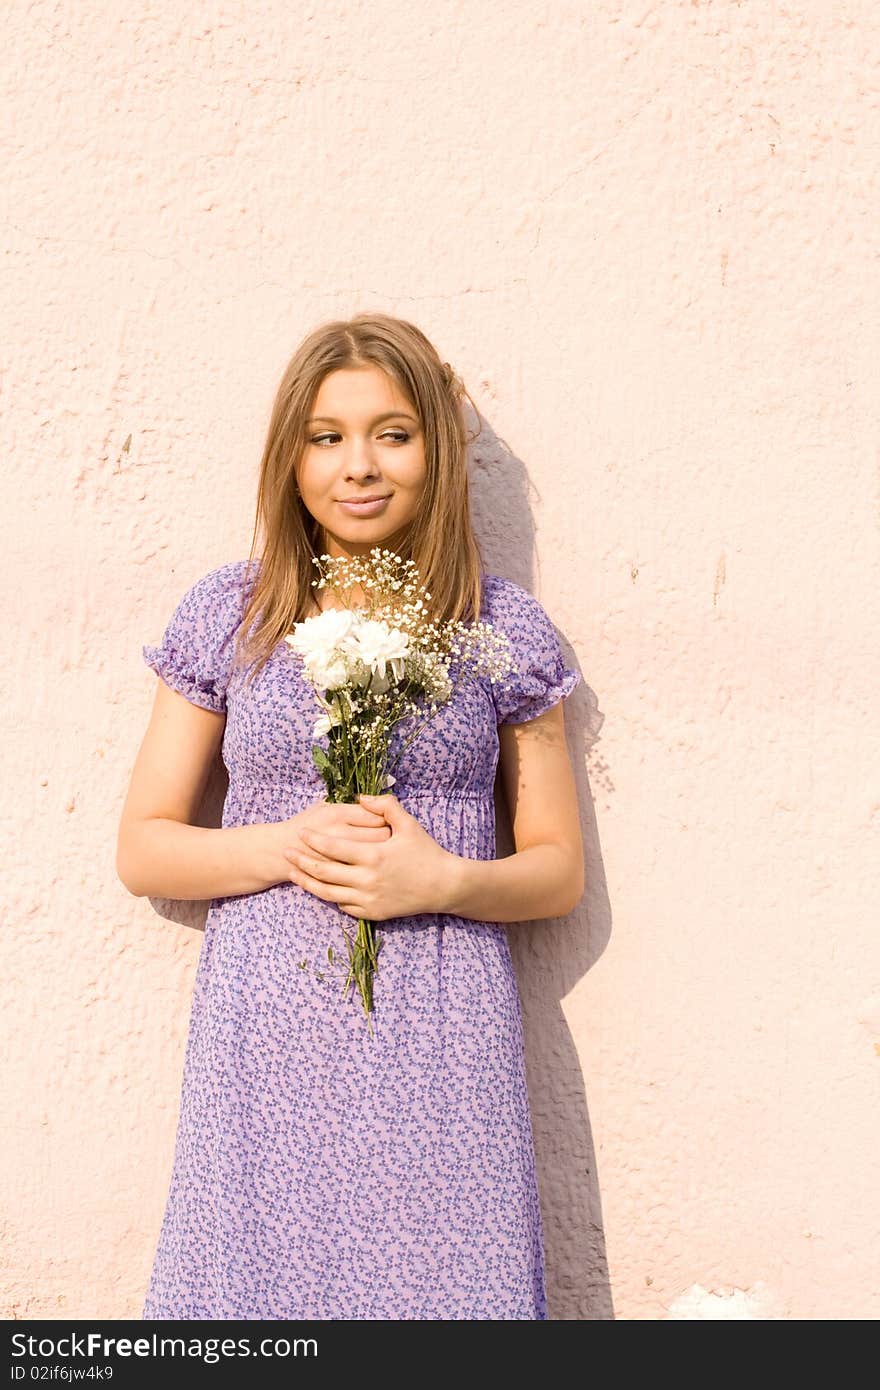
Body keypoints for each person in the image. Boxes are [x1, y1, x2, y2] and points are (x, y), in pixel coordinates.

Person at [117, 311, 584, 1321]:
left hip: (443, 1037)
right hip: (268, 1040)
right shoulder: (230, 614)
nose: (358, 466)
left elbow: (557, 868)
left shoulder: (498, 627)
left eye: (393, 433)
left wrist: (446, 879)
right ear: (290, 457)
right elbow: (145, 846)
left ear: (437, 451)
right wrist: (283, 844)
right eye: (326, 437)